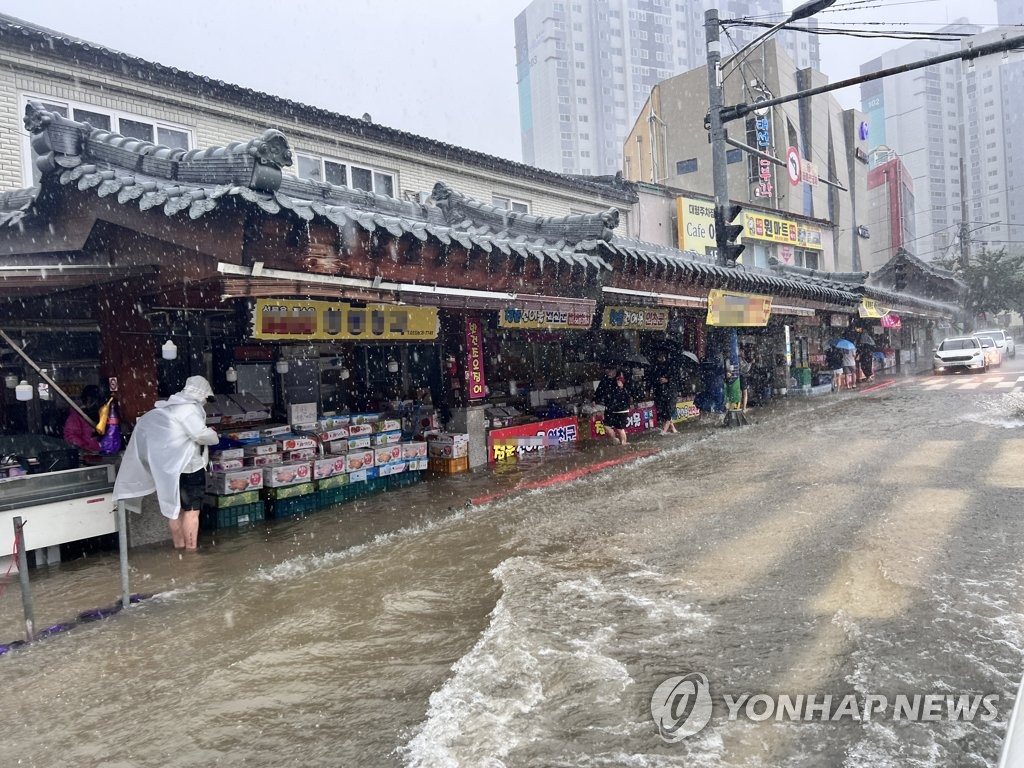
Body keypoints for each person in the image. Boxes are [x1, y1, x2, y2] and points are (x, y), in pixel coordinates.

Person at [113, 376, 219, 552]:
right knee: (192, 511)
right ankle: (191, 553)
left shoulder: (168, 407)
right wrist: (214, 435)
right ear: (202, 393)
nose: (206, 402)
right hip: (190, 466)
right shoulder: (188, 409)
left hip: (169, 469)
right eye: (207, 398)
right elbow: (199, 435)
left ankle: (179, 549)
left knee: (174, 510)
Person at [63, 384, 102, 455]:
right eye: (91, 400)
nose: (95, 403)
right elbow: (70, 437)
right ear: (85, 399)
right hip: (88, 456)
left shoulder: (105, 414)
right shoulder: (77, 415)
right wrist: (86, 448)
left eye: (96, 400)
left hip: (106, 455)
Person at [602, 374, 632, 445]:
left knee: (620, 428)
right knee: (607, 426)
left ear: (623, 382)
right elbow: (611, 401)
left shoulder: (625, 391)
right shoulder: (614, 390)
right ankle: (615, 440)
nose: (618, 382)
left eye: (620, 381)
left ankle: (624, 443)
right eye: (617, 381)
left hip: (622, 411)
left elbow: (626, 402)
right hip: (614, 411)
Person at [654, 371, 678, 435]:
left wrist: (668, 381)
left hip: (671, 400)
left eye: (663, 379)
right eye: (660, 379)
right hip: (665, 401)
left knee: (668, 415)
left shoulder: (672, 383)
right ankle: (673, 429)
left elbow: (673, 391)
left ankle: (664, 431)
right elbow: (658, 392)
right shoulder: (660, 385)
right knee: (667, 415)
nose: (661, 380)